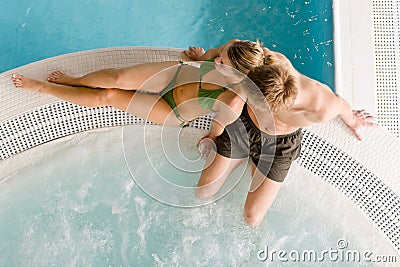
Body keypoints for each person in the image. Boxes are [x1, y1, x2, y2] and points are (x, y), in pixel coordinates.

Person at [186, 45, 378, 227]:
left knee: (252, 217)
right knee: (203, 192)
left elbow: (341, 105)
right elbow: (230, 49)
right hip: (244, 126)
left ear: (271, 108)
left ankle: (256, 164)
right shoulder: (265, 59)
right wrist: (203, 58)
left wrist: (353, 119)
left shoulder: (320, 106)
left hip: (278, 146)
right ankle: (248, 160)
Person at [11, 40, 265, 139]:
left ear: (238, 75)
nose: (217, 61)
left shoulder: (232, 101)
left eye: (223, 64)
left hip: (171, 111)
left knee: (107, 95)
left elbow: (217, 128)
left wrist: (208, 142)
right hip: (176, 75)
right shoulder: (233, 47)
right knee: (116, 77)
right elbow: (209, 54)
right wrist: (198, 56)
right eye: (222, 56)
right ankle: (74, 80)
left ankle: (45, 89)